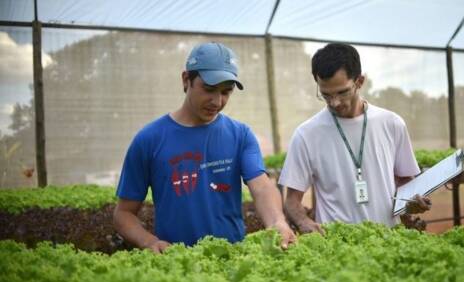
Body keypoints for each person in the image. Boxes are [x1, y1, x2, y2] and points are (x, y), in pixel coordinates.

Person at [114, 42, 296, 253]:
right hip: (175, 261)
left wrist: (277, 221)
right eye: (209, 89)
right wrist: (150, 242)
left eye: (226, 92)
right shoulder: (149, 139)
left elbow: (262, 187)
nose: (217, 101)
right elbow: (123, 214)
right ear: (186, 80)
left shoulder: (241, 134)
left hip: (233, 259)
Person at [278, 43, 431, 234]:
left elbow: (405, 180)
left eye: (342, 92)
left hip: (388, 237)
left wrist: (412, 201)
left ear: (359, 81)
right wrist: (303, 222)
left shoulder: (392, 123)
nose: (334, 102)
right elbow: (292, 201)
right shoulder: (306, 134)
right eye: (325, 94)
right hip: (336, 243)